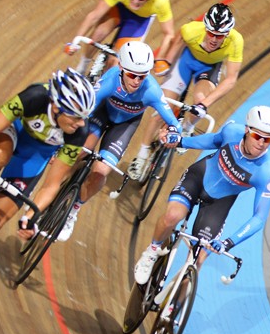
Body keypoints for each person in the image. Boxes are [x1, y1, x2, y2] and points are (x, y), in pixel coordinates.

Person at [0, 69, 96, 312]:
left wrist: (30, 217)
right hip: (12, 136)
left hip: (33, 161)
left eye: (83, 118)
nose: (81, 124)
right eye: (76, 117)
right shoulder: (34, 96)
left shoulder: (78, 134)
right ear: (56, 107)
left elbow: (52, 184)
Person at [133, 105, 270, 287]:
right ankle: (152, 251)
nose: (261, 143)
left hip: (219, 203)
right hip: (198, 178)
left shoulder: (266, 171)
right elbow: (212, 141)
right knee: (173, 216)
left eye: (268, 140)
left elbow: (260, 217)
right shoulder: (231, 132)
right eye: (258, 136)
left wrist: (228, 242)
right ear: (246, 130)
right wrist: (180, 141)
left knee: (197, 261)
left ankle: (173, 310)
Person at [54, 40, 182, 242]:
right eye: (132, 74)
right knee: (81, 150)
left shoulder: (152, 91)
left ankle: (73, 210)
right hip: (101, 114)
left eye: (142, 76)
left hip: (124, 126)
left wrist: (174, 133)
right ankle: (54, 185)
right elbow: (86, 107)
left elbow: (175, 123)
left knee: (100, 173)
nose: (137, 81)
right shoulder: (111, 79)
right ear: (121, 67)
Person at [127, 2, 244, 182]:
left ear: (227, 34)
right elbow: (176, 45)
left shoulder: (236, 42)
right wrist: (166, 63)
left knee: (200, 99)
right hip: (186, 62)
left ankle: (187, 128)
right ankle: (141, 155)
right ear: (205, 28)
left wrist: (204, 105)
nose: (214, 39)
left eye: (220, 36)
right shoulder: (191, 30)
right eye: (211, 33)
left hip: (208, 69)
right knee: (162, 108)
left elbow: (230, 80)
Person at [66, 0, 175, 75]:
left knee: (116, 62)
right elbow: (94, 16)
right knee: (98, 33)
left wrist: (160, 57)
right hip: (119, 9)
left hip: (139, 21)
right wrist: (74, 42)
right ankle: (82, 66)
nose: (136, 2)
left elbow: (169, 33)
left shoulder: (160, 0)